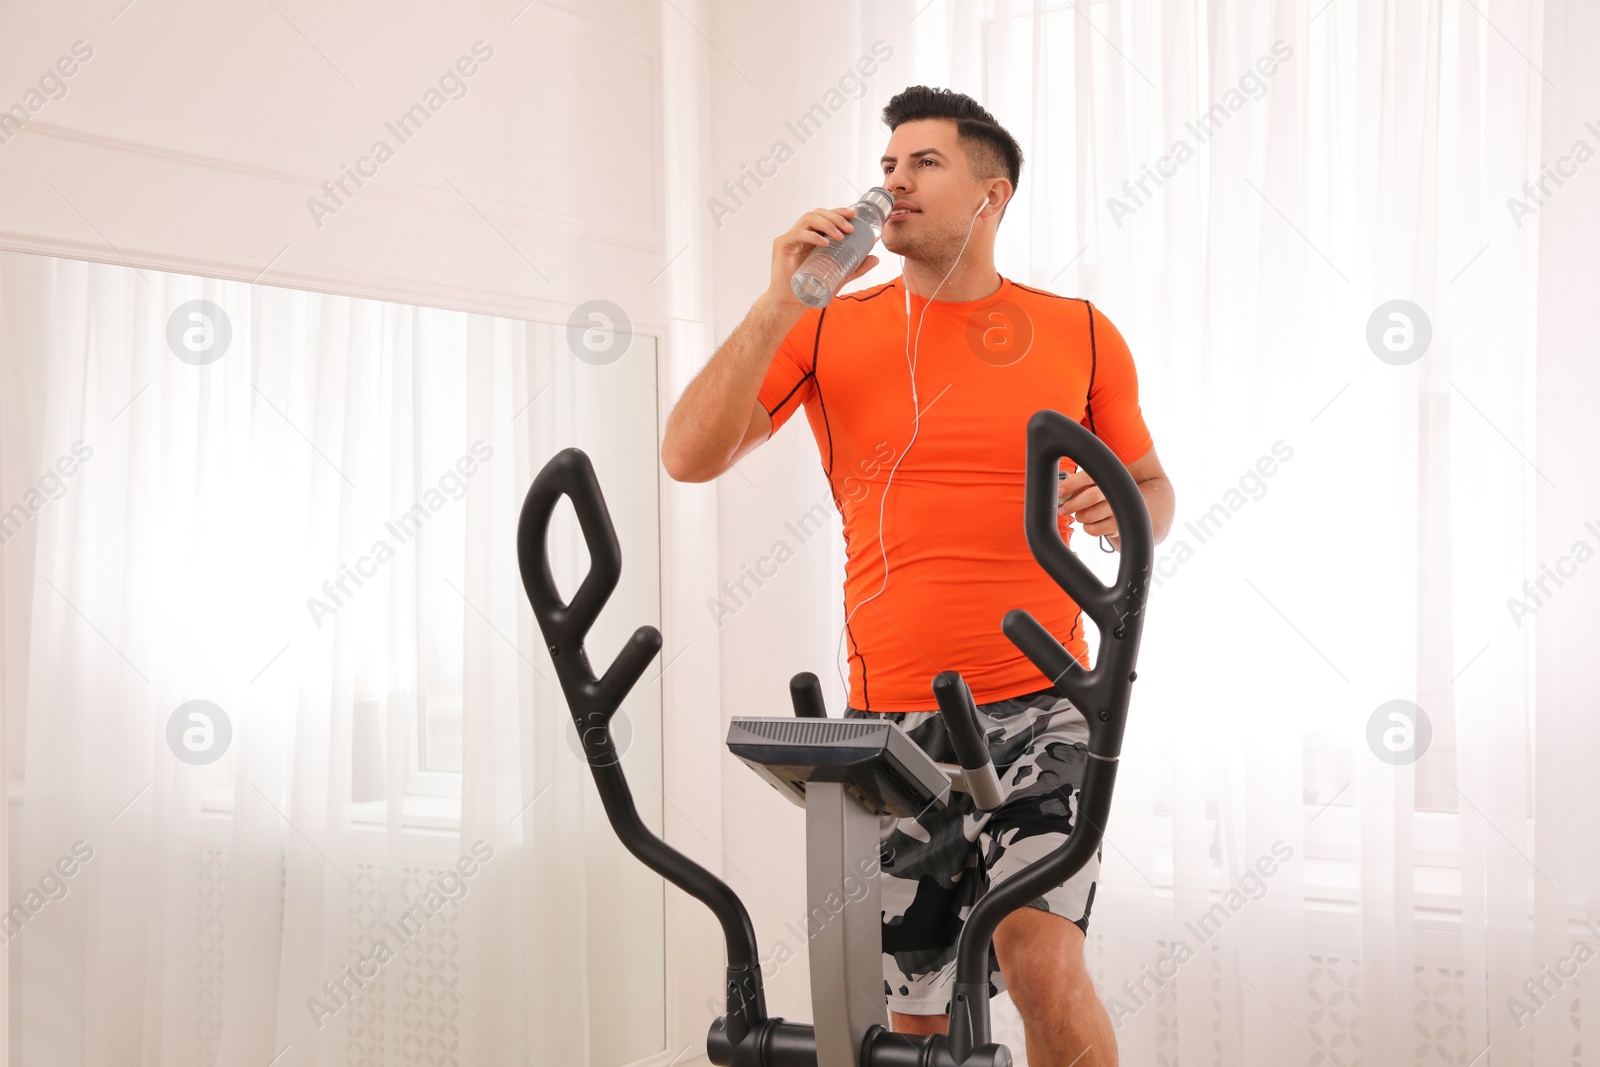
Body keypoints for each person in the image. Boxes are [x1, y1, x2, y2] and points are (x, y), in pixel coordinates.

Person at [661, 85, 1174, 1067]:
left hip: (1043, 707)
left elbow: (1150, 485)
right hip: (894, 731)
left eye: (922, 164)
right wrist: (783, 299)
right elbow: (689, 453)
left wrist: (1128, 508)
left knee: (1039, 963)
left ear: (992, 195)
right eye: (885, 163)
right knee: (911, 1023)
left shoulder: (1080, 331)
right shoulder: (822, 329)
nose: (890, 181)